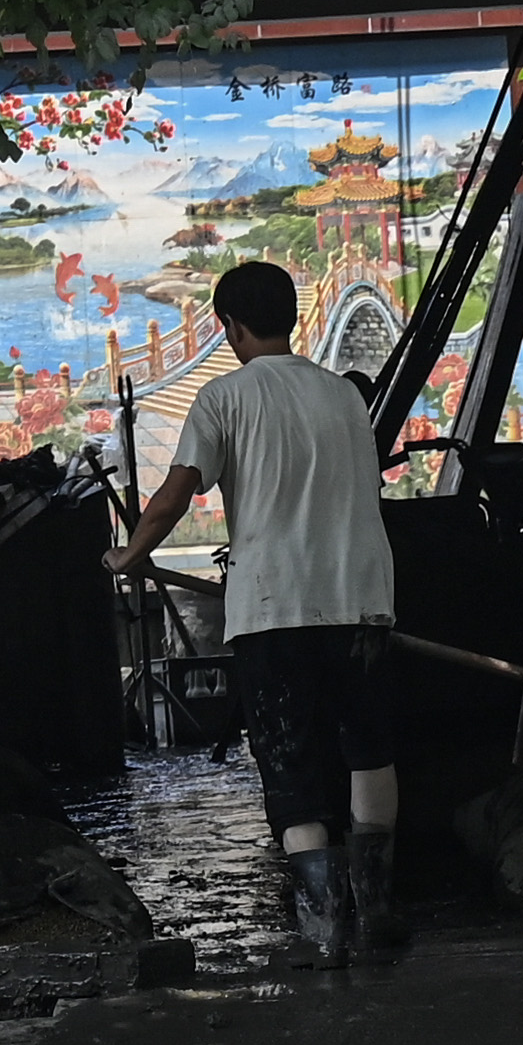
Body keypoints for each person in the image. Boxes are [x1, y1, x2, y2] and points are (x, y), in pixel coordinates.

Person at [121, 261, 404, 969]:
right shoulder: (343, 397)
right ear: (294, 319)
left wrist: (128, 554)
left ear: (229, 326)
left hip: (274, 607)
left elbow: (174, 494)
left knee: (291, 763)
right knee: (366, 748)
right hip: (360, 598)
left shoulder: (222, 397)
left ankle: (321, 927)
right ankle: (375, 910)